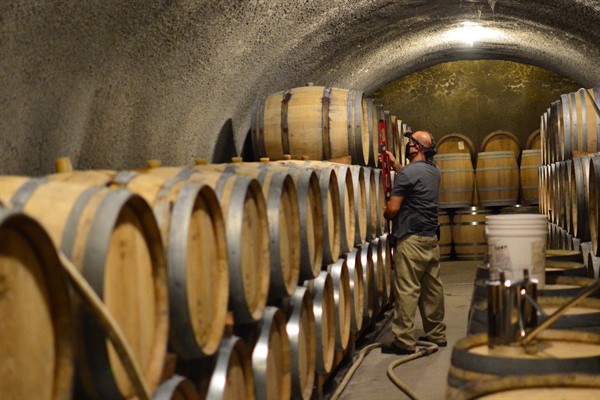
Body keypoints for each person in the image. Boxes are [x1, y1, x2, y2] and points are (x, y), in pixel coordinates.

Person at [381, 130, 447, 355]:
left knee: (407, 289)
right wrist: (396, 166)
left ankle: (404, 341)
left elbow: (392, 210)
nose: (407, 145)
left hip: (410, 239)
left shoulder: (408, 174)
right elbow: (413, 180)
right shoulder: (434, 171)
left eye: (410, 143)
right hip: (430, 238)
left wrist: (384, 211)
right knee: (432, 289)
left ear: (416, 148)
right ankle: (437, 334)